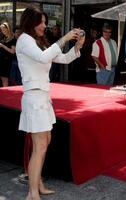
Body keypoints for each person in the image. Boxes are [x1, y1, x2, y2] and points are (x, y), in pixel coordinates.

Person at [16, 7, 85, 200]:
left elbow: (62, 59)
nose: (45, 26)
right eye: (42, 22)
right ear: (31, 22)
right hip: (34, 97)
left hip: (43, 97)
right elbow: (43, 58)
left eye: (45, 22)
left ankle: (38, 184)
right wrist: (64, 38)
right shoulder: (24, 40)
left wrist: (77, 46)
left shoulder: (38, 41)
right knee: (40, 146)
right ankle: (32, 193)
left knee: (45, 142)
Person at [0, 22, 16, 87]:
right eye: (1, 29)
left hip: (6, 62)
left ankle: (5, 93)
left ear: (8, 29)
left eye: (4, 29)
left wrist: (3, 46)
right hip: (1, 60)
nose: (2, 31)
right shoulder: (3, 37)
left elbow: (13, 51)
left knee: (4, 79)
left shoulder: (13, 39)